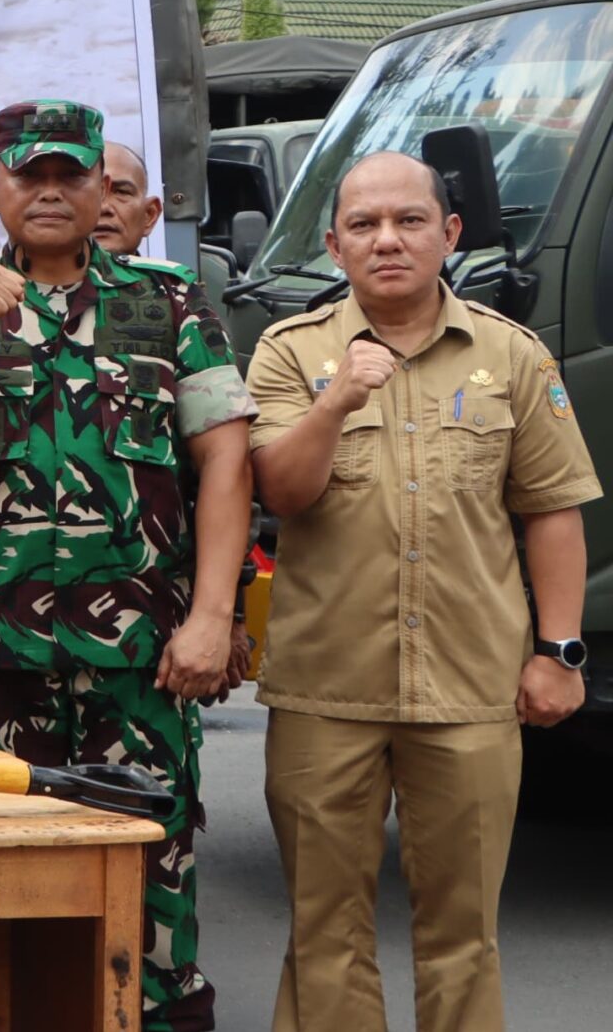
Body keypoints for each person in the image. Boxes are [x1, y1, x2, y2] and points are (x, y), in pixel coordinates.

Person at [0, 100, 251, 1032]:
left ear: (101, 189)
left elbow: (226, 460)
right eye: (27, 175)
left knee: (151, 874)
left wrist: (212, 616)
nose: (48, 191)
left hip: (139, 660)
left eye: (69, 174)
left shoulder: (167, 302)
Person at [247, 152, 597, 1032]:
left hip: (471, 685)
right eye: (363, 225)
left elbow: (552, 510)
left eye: (409, 220)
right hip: (327, 689)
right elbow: (280, 490)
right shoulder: (290, 352)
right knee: (324, 932)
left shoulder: (511, 353)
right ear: (335, 246)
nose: (387, 240)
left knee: (463, 935)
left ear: (450, 234)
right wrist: (335, 402)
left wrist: (558, 651)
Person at [94, 142, 257, 692]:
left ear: (150, 215)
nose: (104, 205)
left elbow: (225, 466)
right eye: (94, 188)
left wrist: (227, 615)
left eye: (121, 191)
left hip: (154, 620)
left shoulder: (179, 303)